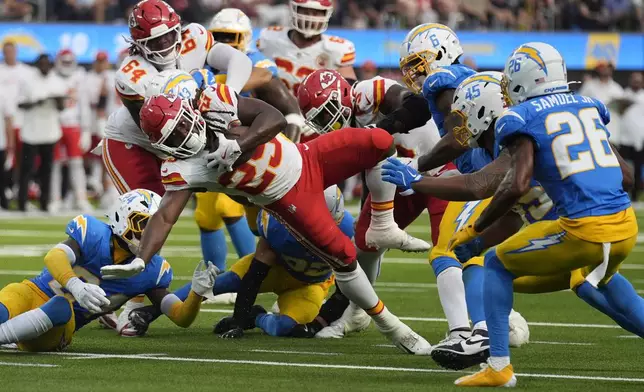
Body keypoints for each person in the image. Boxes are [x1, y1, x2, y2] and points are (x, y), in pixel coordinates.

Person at [112, 80, 433, 354]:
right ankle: (390, 325)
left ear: (189, 111)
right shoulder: (182, 168)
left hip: (309, 157)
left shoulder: (214, 100)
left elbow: (274, 118)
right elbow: (166, 216)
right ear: (162, 146)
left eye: (182, 123)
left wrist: (240, 145)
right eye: (172, 137)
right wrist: (142, 258)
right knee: (346, 256)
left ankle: (381, 223)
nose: (183, 134)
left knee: (379, 141)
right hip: (290, 198)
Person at [383, 70, 644, 369]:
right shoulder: (547, 121)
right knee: (594, 287)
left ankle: (486, 343)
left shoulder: (518, 135)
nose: (461, 124)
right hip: (606, 225)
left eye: (466, 114)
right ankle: (487, 335)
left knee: (494, 264)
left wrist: (417, 180)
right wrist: (478, 238)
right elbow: (514, 213)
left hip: (577, 230)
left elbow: (478, 184)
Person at [444, 42, 639, 387]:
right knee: (596, 282)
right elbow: (626, 176)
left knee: (495, 265)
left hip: (583, 230)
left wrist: (476, 228)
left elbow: (516, 185)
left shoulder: (521, 117)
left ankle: (499, 366)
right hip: (625, 228)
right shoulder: (588, 106)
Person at [294, 69, 449, 338]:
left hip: (438, 171)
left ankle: (489, 323)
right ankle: (354, 313)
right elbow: (370, 173)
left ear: (342, 95)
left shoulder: (367, 92)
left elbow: (419, 106)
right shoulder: (340, 131)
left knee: (450, 251)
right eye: (319, 119)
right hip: (398, 181)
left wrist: (377, 130)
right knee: (365, 244)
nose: (328, 122)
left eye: (328, 111)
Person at [0, 189, 218, 351]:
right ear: (122, 218)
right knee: (13, 293)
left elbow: (181, 317)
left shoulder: (152, 270)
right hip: (33, 292)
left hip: (59, 326)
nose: (150, 233)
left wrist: (196, 294)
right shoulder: (94, 233)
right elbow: (54, 256)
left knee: (60, 305)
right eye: (144, 224)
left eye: (155, 227)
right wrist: (75, 285)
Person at [126, 185, 351, 338]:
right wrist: (237, 320)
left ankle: (258, 316)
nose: (320, 230)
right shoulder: (279, 225)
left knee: (285, 328)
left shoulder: (349, 232)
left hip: (309, 284)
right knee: (220, 282)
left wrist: (321, 321)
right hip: (276, 269)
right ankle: (153, 311)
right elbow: (255, 275)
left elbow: (348, 286)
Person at [393, 23, 492, 357]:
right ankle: (483, 330)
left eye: (418, 65)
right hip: (497, 174)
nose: (414, 75)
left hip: (491, 175)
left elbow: (460, 136)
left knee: (445, 249)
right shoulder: (469, 76)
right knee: (473, 251)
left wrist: (417, 165)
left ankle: (467, 332)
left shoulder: (443, 80)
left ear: (439, 55)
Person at [256, 0, 357, 96]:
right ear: (294, 10)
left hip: (313, 113)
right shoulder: (270, 38)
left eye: (316, 13)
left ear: (327, 14)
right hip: (272, 107)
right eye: (305, 11)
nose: (310, 18)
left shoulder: (337, 49)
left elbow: (349, 91)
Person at [17, 54, 66, 213]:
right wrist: (36, 102)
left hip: (50, 131)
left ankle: (44, 202)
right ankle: (22, 202)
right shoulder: (28, 81)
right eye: (42, 64)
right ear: (37, 65)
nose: (44, 66)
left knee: (47, 170)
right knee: (26, 169)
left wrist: (57, 100)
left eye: (47, 64)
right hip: (31, 131)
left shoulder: (57, 81)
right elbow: (20, 103)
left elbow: (62, 107)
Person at [50, 49, 93, 213]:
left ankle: (80, 198)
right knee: (55, 164)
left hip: (74, 125)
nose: (67, 65)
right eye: (64, 62)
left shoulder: (80, 77)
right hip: (55, 125)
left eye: (69, 62)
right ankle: (55, 198)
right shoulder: (52, 77)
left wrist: (86, 130)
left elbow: (84, 104)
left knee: (76, 164)